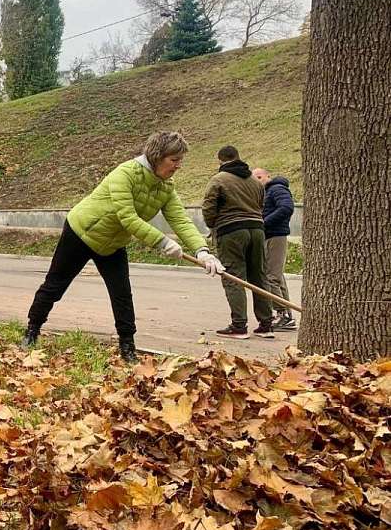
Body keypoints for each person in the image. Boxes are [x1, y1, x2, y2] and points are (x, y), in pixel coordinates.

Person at [22, 132, 225, 363]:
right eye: (174, 160)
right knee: (55, 285)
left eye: (180, 160)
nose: (179, 166)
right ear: (158, 156)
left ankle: (127, 347)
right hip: (82, 232)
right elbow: (127, 218)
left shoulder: (166, 187)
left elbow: (180, 219)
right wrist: (162, 241)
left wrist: (203, 251)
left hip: (113, 244)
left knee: (122, 294)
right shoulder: (125, 173)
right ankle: (32, 330)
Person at [202, 146, 273, 339]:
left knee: (234, 276)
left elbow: (208, 207)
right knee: (259, 275)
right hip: (257, 229)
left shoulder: (218, 180)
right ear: (238, 158)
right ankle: (266, 323)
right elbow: (261, 204)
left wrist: (213, 226)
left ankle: (239, 325)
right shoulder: (255, 181)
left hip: (231, 231)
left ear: (220, 160)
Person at [253, 168, 297, 330]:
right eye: (254, 178)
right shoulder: (266, 193)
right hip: (269, 236)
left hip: (275, 236)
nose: (257, 181)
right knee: (277, 277)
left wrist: (264, 223)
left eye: (259, 177)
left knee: (271, 277)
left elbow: (286, 208)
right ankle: (286, 316)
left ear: (267, 177)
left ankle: (282, 314)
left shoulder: (277, 189)